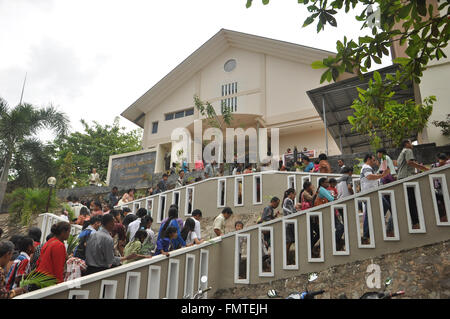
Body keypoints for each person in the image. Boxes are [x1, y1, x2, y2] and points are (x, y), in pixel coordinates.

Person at [360, 154, 391, 238]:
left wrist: (381, 175)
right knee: (371, 213)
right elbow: (369, 176)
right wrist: (382, 175)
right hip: (370, 193)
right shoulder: (366, 167)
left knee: (382, 207)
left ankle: (367, 234)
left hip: (372, 193)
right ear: (369, 159)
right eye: (373, 160)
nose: (374, 162)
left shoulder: (368, 168)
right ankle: (366, 235)